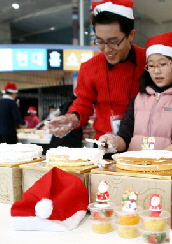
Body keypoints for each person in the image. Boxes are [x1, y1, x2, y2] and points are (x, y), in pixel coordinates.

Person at [47, 0, 146, 143]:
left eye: (114, 41)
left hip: (143, 144)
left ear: (131, 35)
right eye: (100, 41)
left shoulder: (149, 61)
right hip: (106, 144)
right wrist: (70, 119)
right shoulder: (89, 68)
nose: (107, 50)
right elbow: (83, 104)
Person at [98, 32, 172, 163]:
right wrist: (112, 142)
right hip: (134, 168)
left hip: (169, 171)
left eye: (163, 64)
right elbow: (125, 137)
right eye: (151, 65)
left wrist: (158, 160)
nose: (156, 71)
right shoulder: (139, 98)